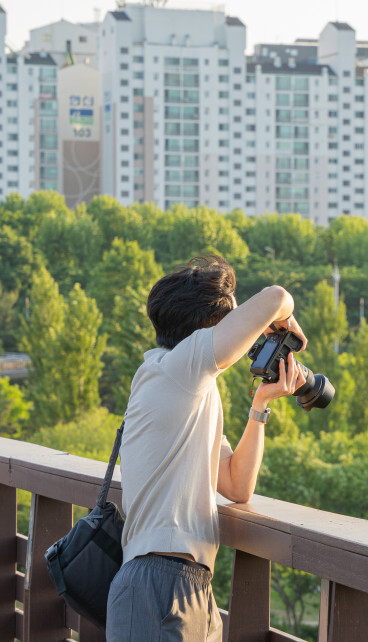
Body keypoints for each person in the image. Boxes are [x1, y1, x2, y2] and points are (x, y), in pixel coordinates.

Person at [106, 255, 307, 641]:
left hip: (189, 582)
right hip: (159, 584)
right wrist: (283, 322)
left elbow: (235, 485)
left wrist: (260, 406)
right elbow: (278, 296)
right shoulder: (176, 369)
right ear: (207, 329)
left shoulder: (187, 388)